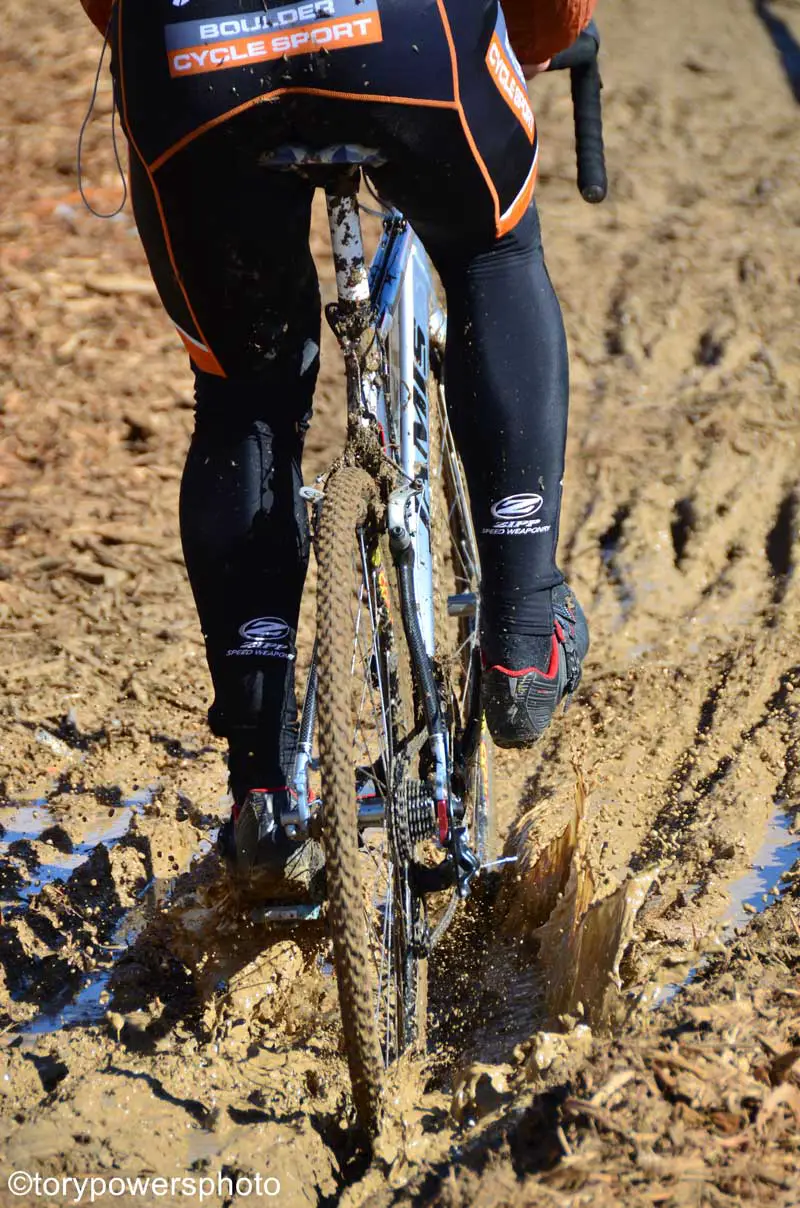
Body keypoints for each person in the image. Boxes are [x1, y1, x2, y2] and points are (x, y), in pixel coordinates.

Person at [78, 0, 593, 884]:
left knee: (243, 398)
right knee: (491, 253)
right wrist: (539, 41)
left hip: (193, 59)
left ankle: (262, 786)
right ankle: (520, 635)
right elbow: (551, 11)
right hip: (404, 43)